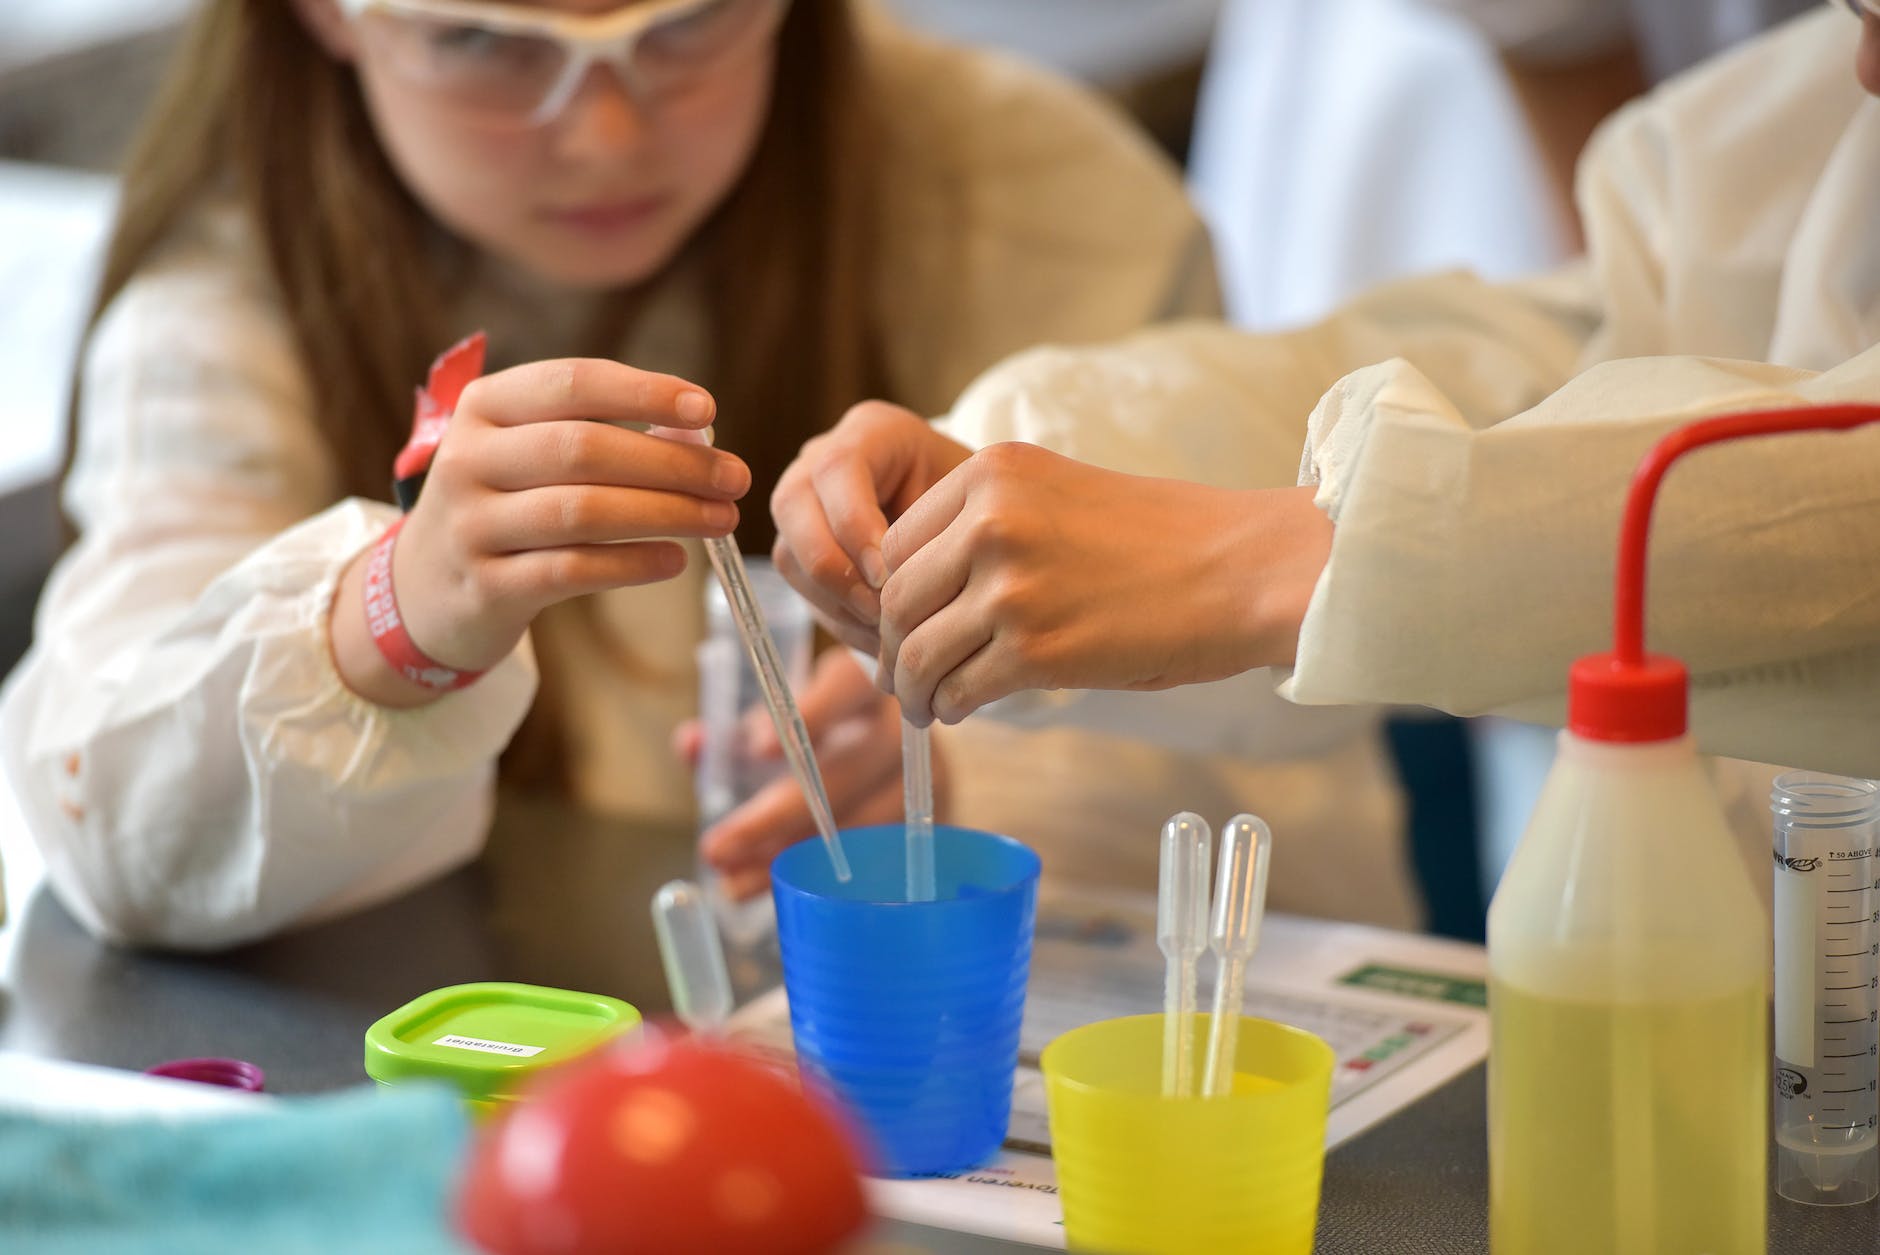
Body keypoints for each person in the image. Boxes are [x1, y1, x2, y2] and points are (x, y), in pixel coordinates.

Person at [0, 0, 1230, 948]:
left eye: (686, 24)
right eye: (488, 40)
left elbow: (1262, 747)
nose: (602, 138)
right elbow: (107, 821)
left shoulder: (1036, 207)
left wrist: (966, 780)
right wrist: (384, 620)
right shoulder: (226, 305)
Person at [771, 3, 1880, 790]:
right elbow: (1589, 368)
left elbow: (1825, 516)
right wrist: (1015, 464)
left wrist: (1277, 557)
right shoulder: (1781, 133)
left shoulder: (1021, 170)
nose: (1861, 69)